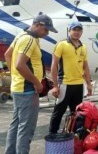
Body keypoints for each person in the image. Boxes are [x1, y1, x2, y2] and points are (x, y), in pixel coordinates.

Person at [4, 14, 58, 154]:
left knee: (16, 124)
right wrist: (36, 82)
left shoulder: (21, 35)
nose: (46, 34)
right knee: (26, 128)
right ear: (38, 25)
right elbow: (20, 64)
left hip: (19, 87)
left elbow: (8, 55)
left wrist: (14, 75)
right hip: (27, 89)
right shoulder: (29, 39)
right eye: (46, 30)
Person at [48, 21, 92, 134]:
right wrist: (55, 86)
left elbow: (85, 66)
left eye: (79, 30)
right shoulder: (62, 44)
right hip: (65, 84)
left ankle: (74, 137)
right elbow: (54, 65)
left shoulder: (84, 47)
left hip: (78, 85)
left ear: (82, 32)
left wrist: (88, 84)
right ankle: (52, 136)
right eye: (74, 30)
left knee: (76, 113)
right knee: (58, 112)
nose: (77, 32)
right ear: (69, 30)